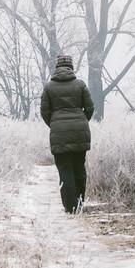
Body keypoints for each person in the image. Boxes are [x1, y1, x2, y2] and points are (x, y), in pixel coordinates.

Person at [40, 54, 95, 214]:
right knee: (79, 169)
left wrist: (55, 124)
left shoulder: (49, 87)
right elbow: (90, 107)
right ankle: (79, 204)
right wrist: (82, 121)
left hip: (59, 134)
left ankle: (70, 208)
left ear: (57, 67)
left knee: (65, 170)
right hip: (80, 132)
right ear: (71, 67)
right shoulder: (80, 85)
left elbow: (44, 111)